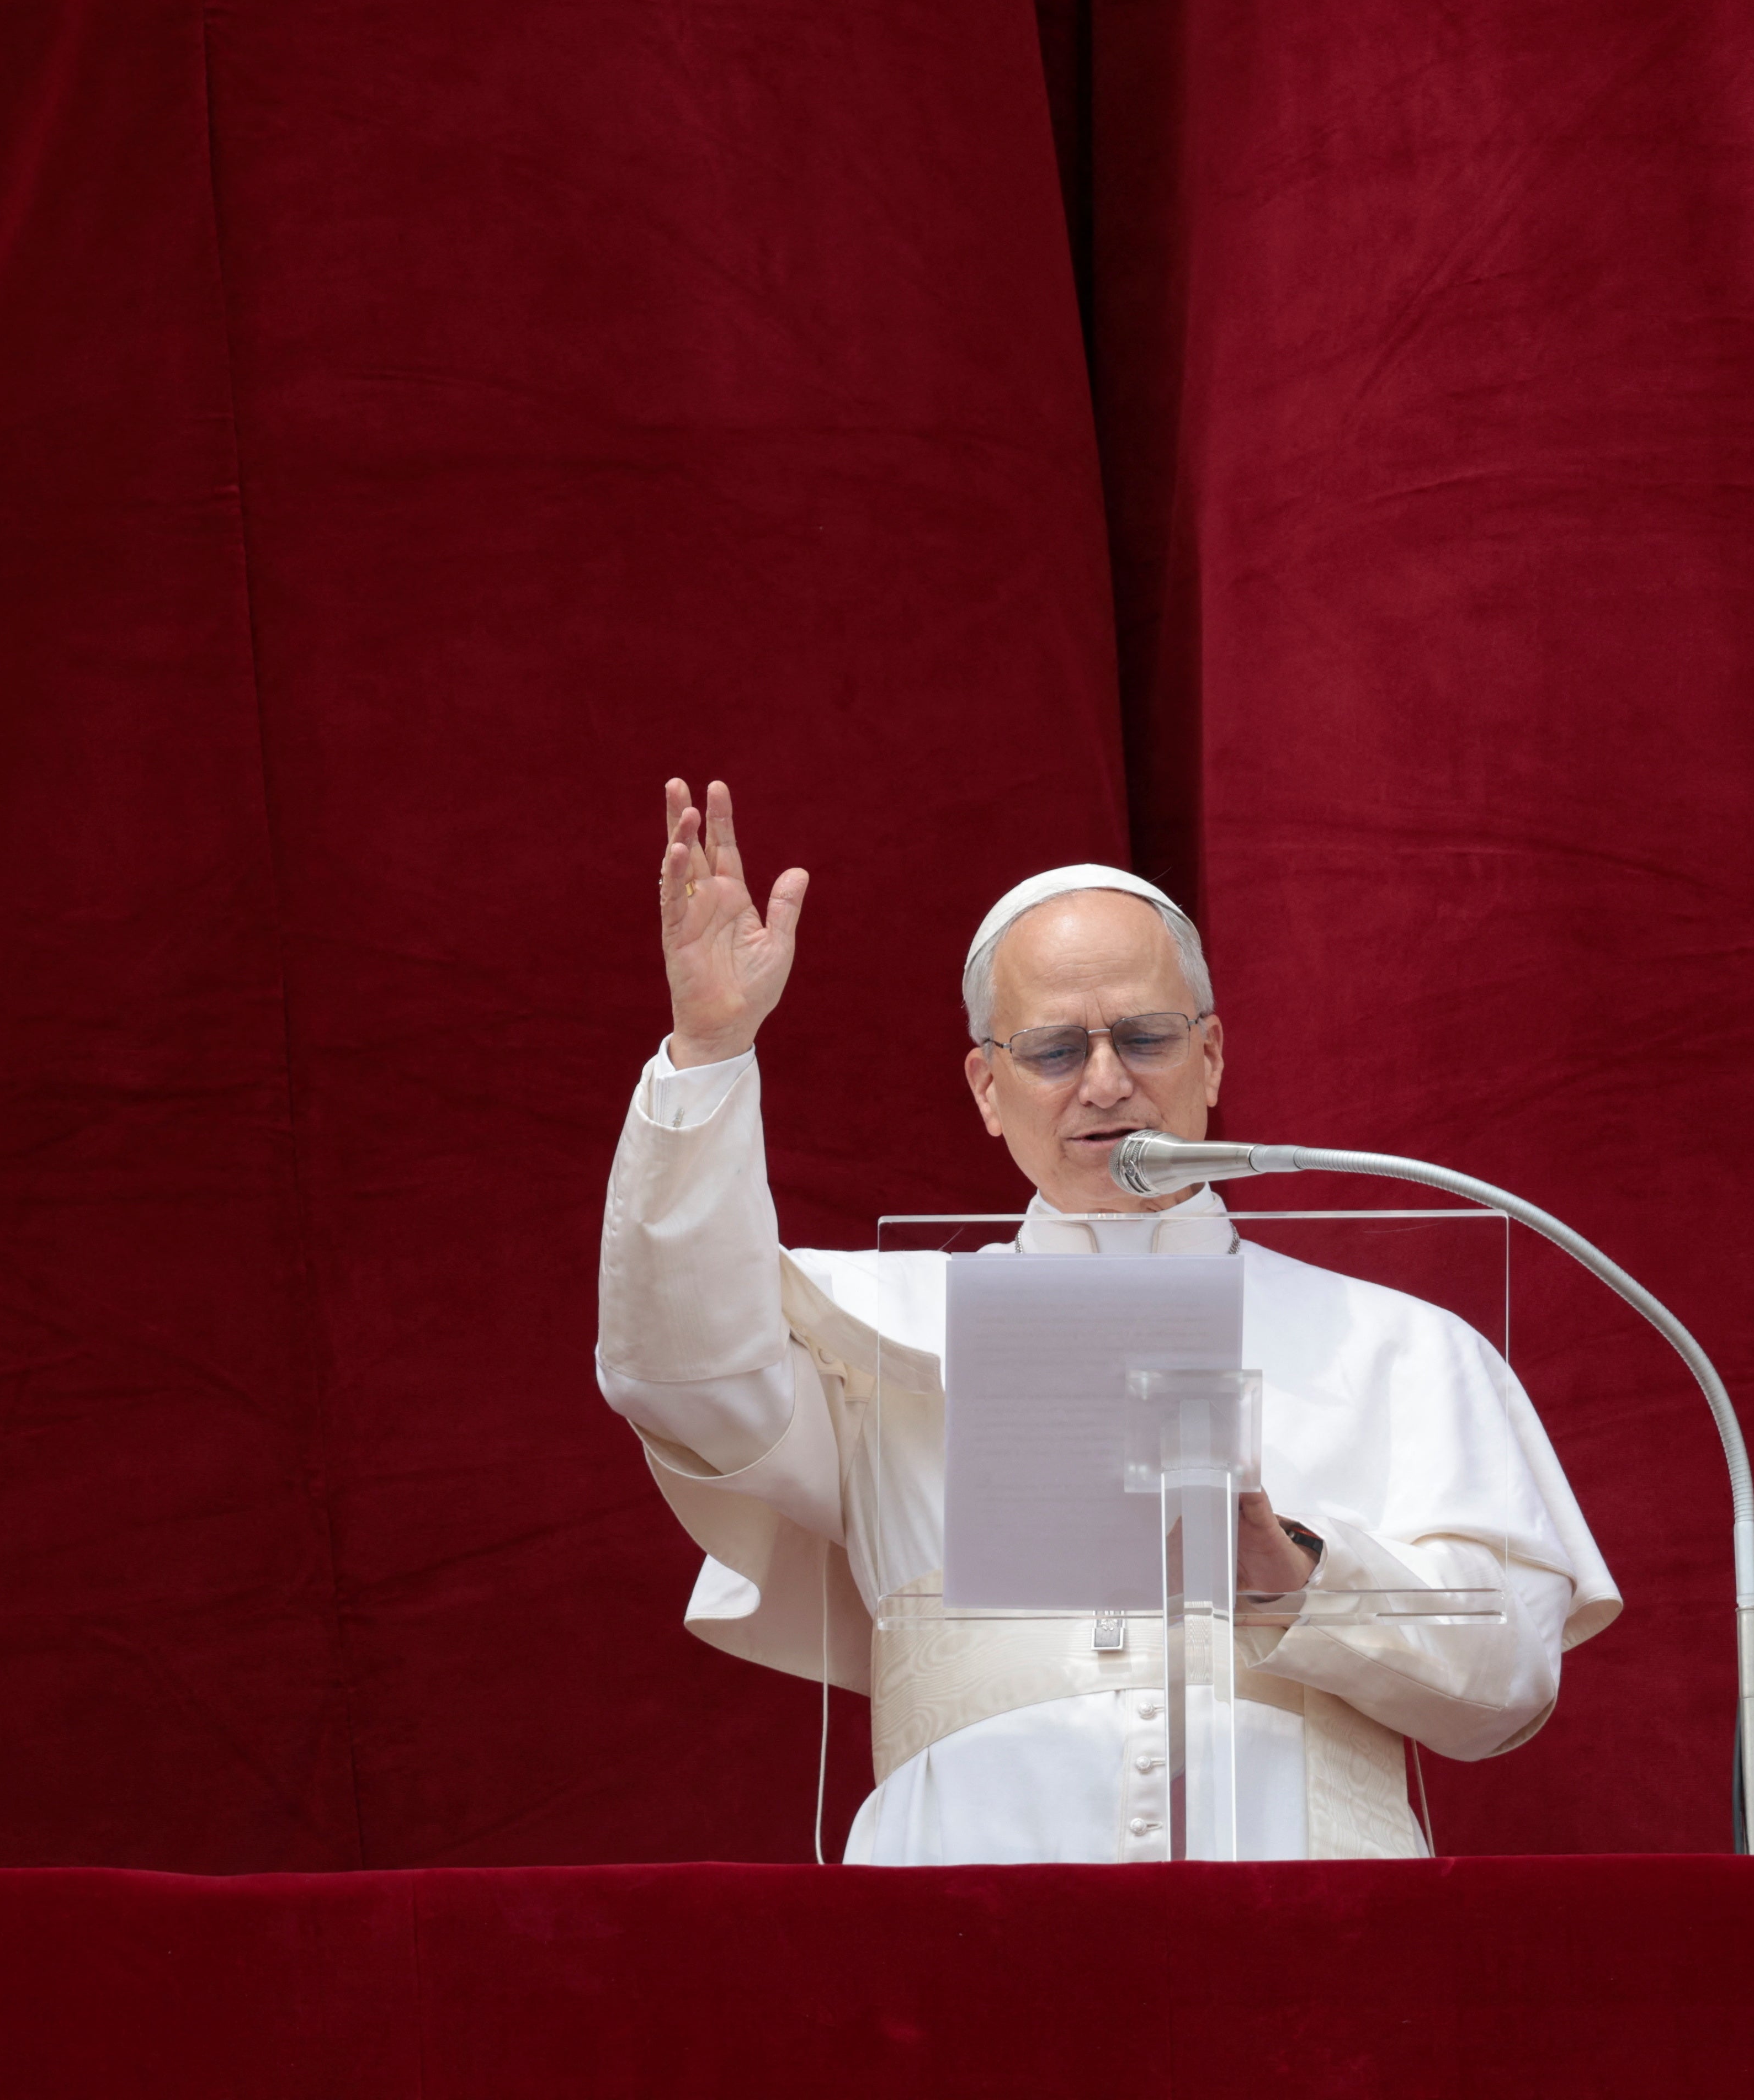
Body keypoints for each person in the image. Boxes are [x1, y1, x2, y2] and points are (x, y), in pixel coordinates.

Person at [598, 779, 1618, 1862]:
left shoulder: (1400, 1347)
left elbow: (1509, 1678)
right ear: (987, 1088)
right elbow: (680, 1375)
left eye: (1146, 1036)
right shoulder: (879, 1336)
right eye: (1052, 1051)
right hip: (963, 1911)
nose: (1105, 1081)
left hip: (1305, 1910)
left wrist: (1299, 1572)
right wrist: (707, 1055)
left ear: (1213, 1057)